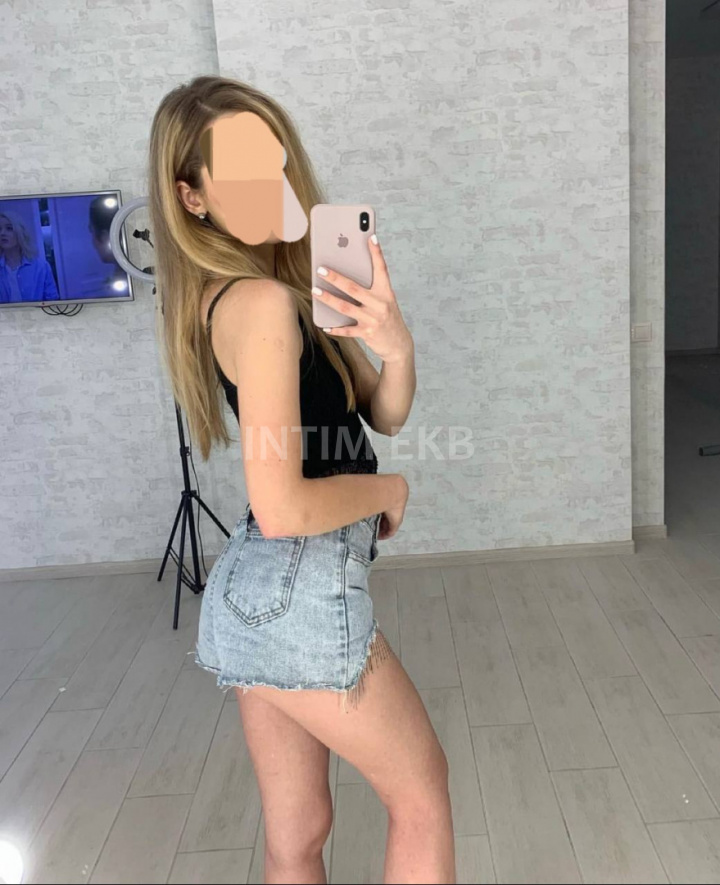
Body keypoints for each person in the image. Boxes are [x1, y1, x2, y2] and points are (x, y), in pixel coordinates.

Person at [148, 75, 455, 885]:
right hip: (297, 574)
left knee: (298, 834)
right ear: (191, 196)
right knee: (421, 795)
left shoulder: (271, 293)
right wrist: (387, 492)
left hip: (250, 591)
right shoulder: (258, 303)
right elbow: (284, 506)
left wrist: (396, 342)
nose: (273, 184)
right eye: (243, 170)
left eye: (275, 163)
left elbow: (383, 413)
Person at [0, 209, 59, 303]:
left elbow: (52, 300)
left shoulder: (41, 267)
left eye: (9, 228)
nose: (2, 233)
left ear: (20, 232)